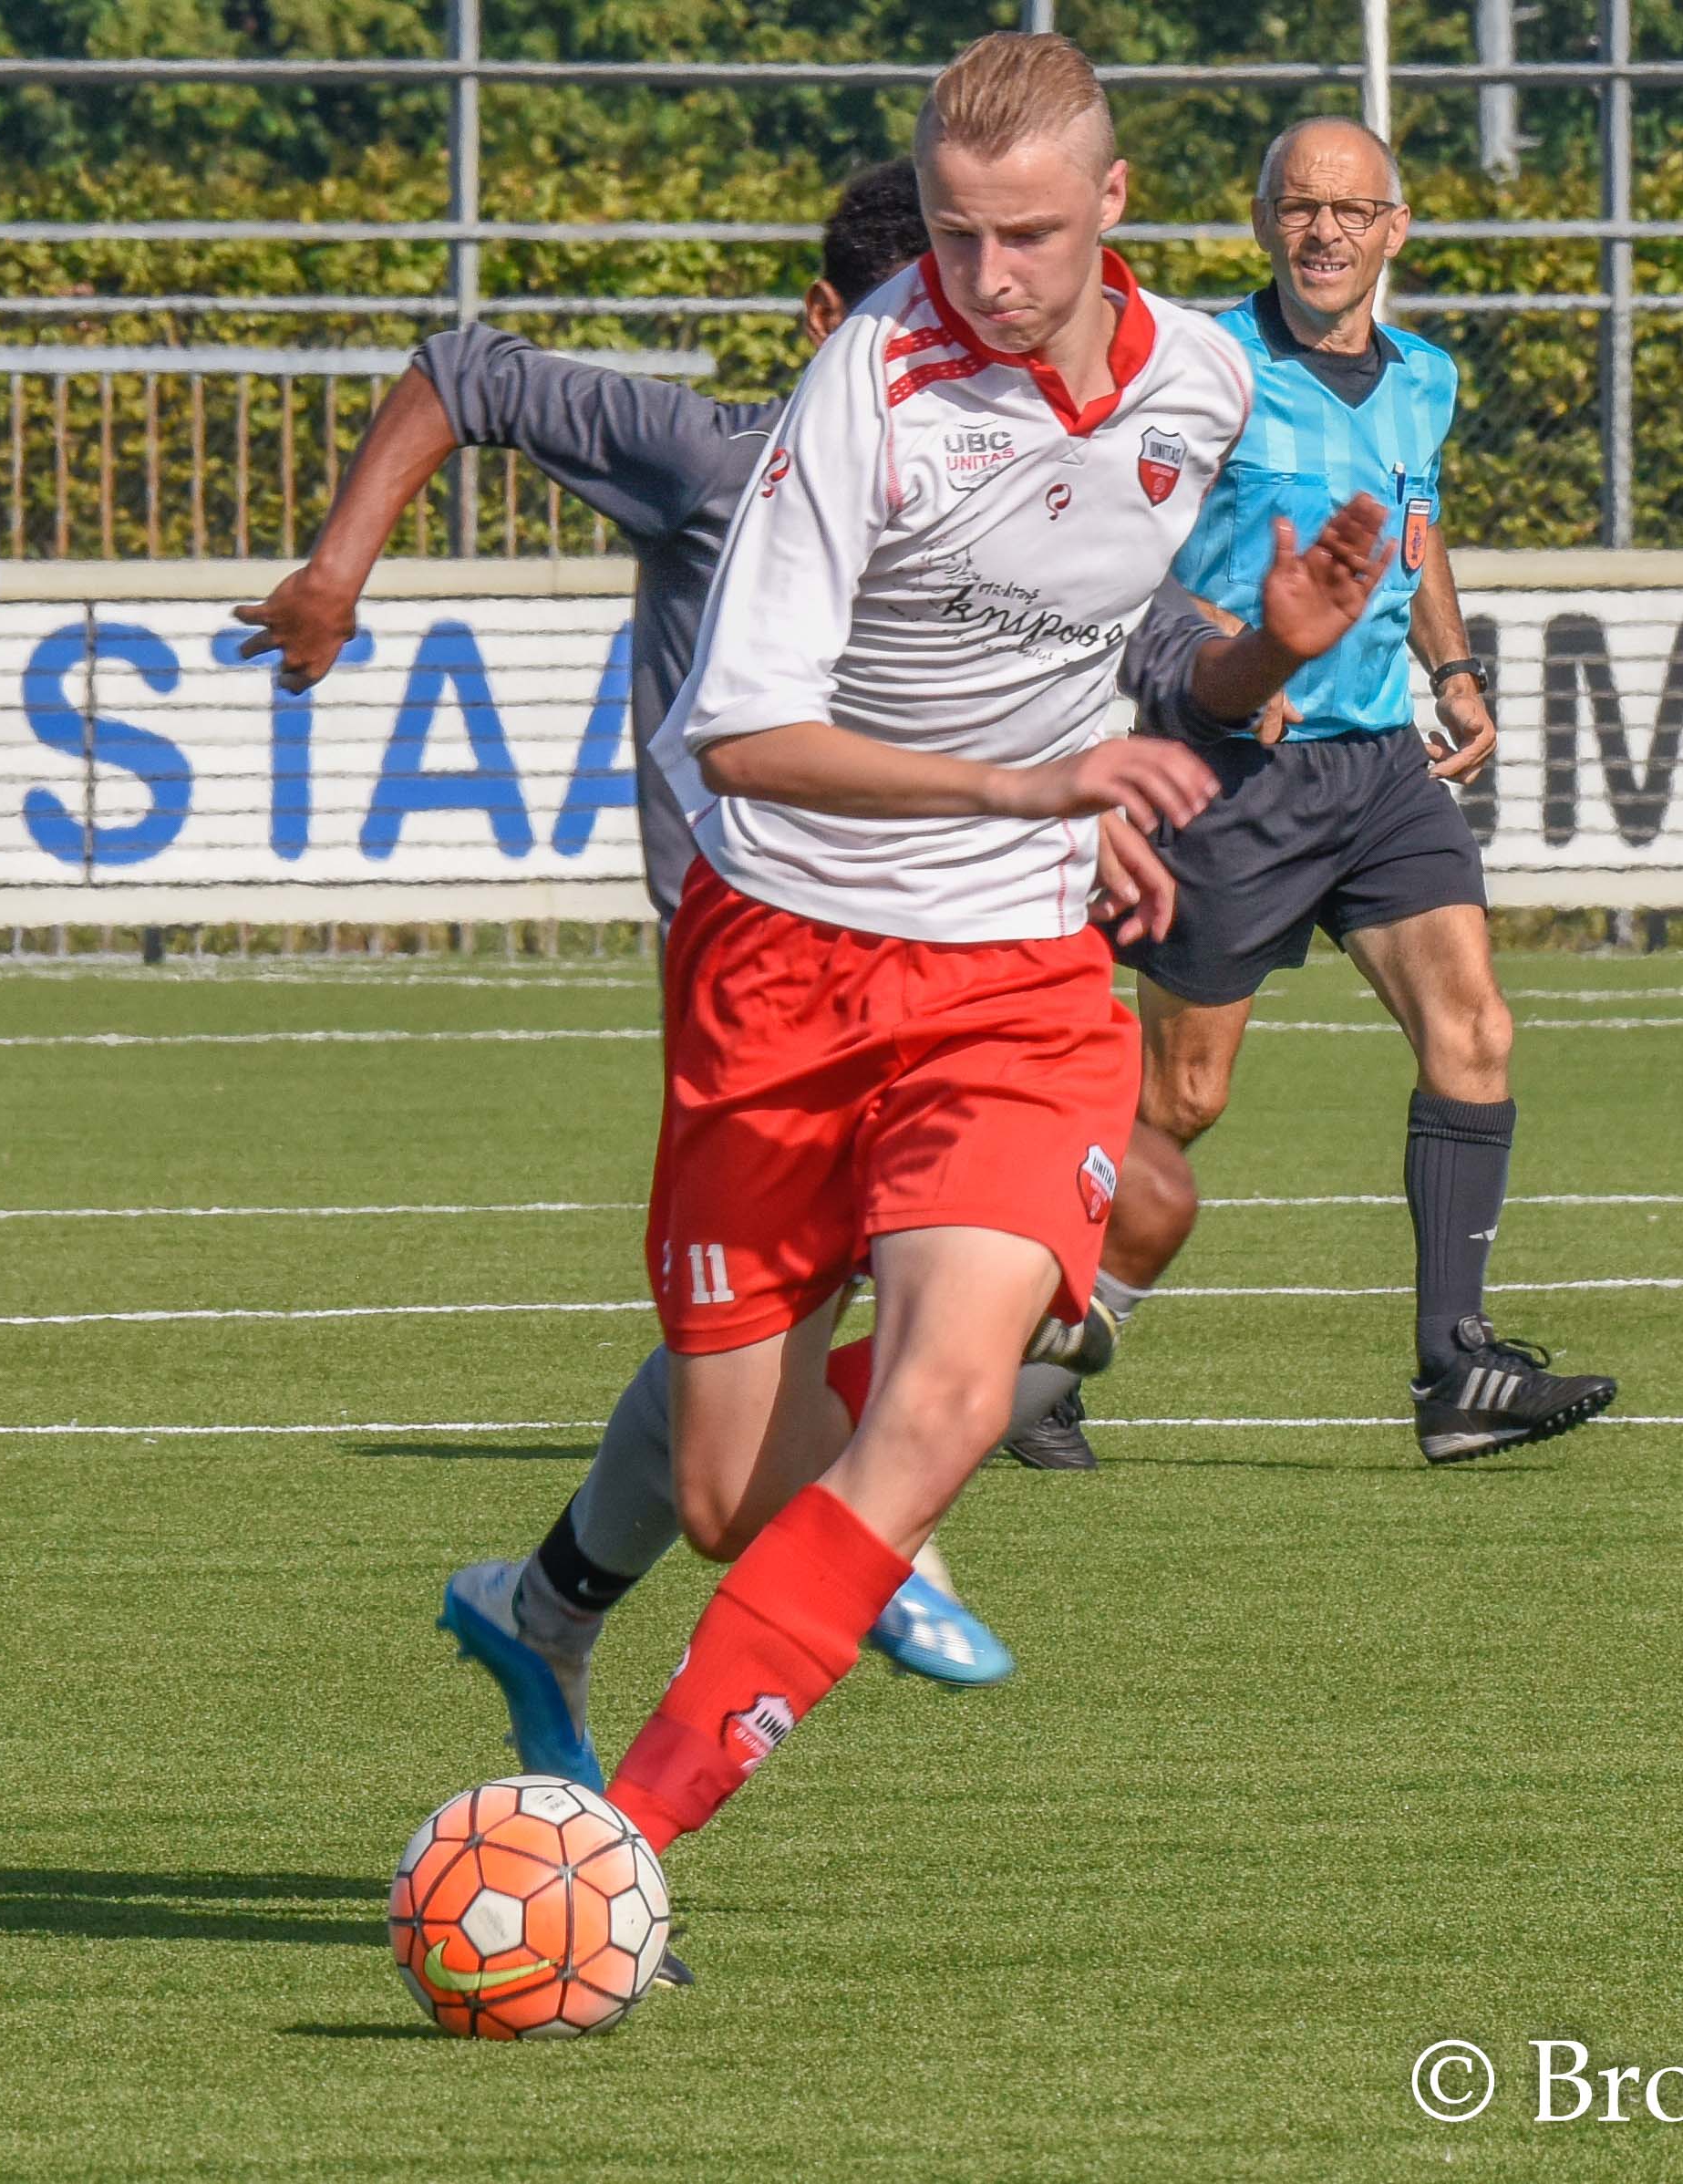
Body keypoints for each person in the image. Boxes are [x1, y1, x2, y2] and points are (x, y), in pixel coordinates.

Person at [586, 33, 1388, 1868]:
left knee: (948, 1396)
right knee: (724, 1494)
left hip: (1014, 972)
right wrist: (1037, 788)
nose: (985, 275)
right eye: (953, 235)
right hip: (783, 953)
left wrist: (1267, 651)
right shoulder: (863, 392)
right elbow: (742, 739)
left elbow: (1120, 643)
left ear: (1113, 204)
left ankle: (621, 1837)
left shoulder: (1201, 378)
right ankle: (613, 1590)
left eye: (1025, 235)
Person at [1083, 114, 1617, 1464]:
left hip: (1381, 767)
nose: (1323, 231)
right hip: (1232, 773)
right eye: (1299, 207)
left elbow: (1415, 525)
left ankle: (1455, 1371)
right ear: (1264, 220)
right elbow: (1114, 544)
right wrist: (1224, 649)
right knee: (1183, 1098)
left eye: (1351, 209)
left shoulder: (1427, 375)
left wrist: (1454, 669)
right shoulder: (1198, 366)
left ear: (1395, 228)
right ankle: (1027, 1340)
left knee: (1473, 1028)